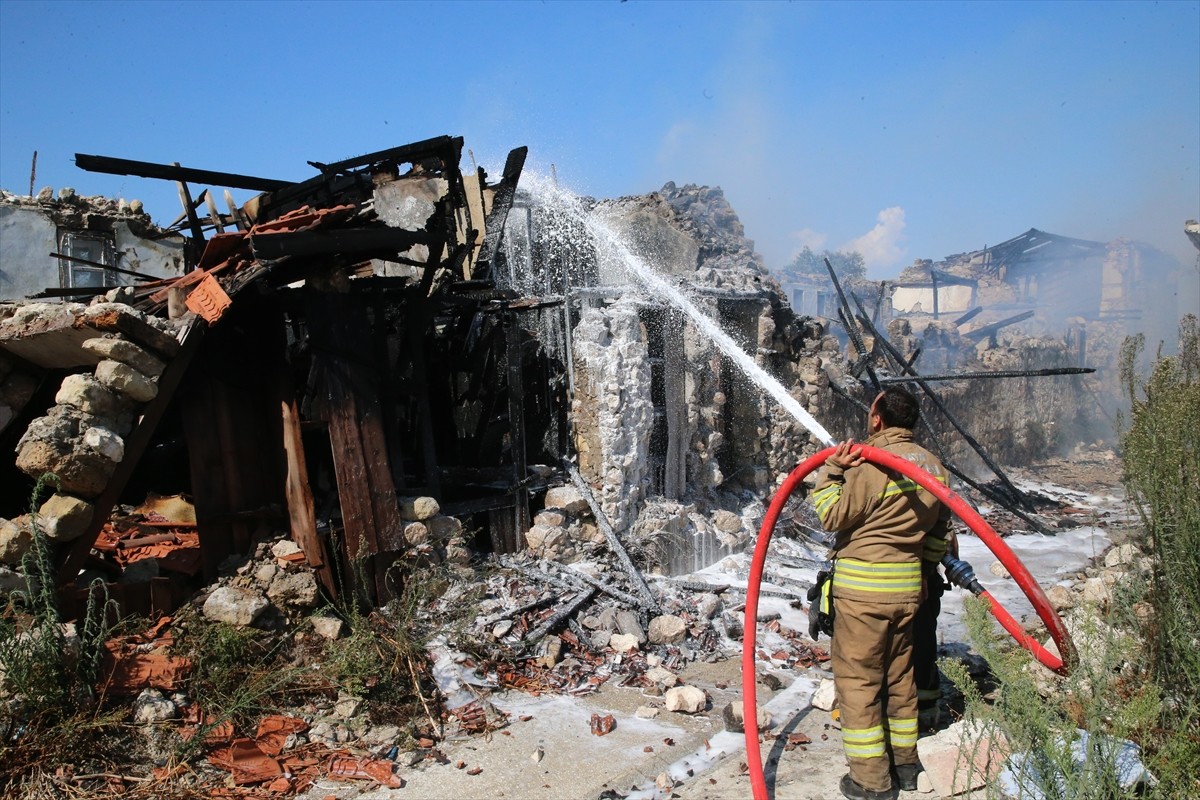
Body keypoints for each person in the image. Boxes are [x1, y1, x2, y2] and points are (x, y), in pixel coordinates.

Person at [811, 387, 952, 800]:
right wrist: (924, 572)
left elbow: (831, 515)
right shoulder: (934, 466)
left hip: (863, 594)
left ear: (877, 419)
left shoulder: (872, 465)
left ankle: (870, 781)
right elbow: (940, 533)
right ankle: (905, 765)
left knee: (859, 683)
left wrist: (832, 472)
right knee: (899, 677)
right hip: (908, 590)